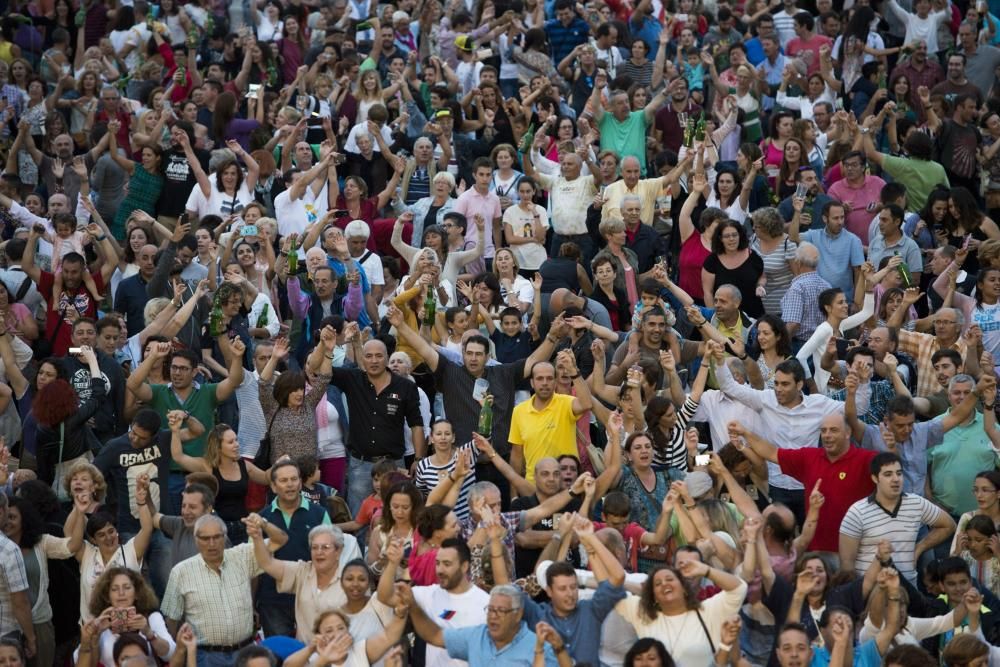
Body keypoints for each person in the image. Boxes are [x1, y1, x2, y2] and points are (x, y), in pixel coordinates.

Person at [729, 415, 876, 553]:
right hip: (815, 553)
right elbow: (772, 453)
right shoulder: (809, 457)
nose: (827, 435)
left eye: (834, 430)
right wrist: (745, 433)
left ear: (848, 432)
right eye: (823, 431)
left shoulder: (867, 460)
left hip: (856, 552)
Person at [839, 452, 956, 583]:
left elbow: (949, 525)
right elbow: (847, 563)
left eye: (899, 473)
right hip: (871, 591)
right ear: (875, 478)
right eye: (888, 474)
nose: (896, 479)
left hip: (908, 591)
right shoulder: (857, 511)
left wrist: (919, 548)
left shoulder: (916, 503)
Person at [403, 582, 571, 666]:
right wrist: (413, 605)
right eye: (490, 610)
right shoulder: (477, 636)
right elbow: (435, 635)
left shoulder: (539, 648)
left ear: (518, 614)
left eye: (500, 611)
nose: (493, 617)